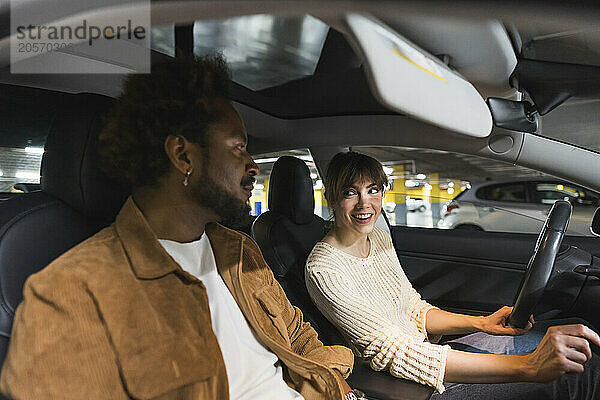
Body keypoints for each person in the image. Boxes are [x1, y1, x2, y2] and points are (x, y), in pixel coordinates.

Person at [0, 56, 358, 400]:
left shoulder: (240, 251)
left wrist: (332, 380)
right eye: (238, 148)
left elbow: (297, 335)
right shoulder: (73, 295)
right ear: (183, 156)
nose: (252, 165)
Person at [305, 151, 600, 399]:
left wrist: (482, 323)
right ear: (331, 197)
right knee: (578, 373)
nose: (364, 204)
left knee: (580, 337)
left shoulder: (378, 239)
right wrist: (529, 366)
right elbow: (394, 351)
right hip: (416, 386)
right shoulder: (324, 269)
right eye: (350, 193)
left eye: (373, 190)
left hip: (433, 354)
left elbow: (414, 309)